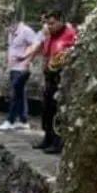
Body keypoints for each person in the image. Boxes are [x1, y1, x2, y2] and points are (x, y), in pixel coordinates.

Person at [29, 10, 78, 154]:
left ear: (61, 21)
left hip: (63, 79)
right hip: (49, 77)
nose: (49, 26)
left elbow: (75, 54)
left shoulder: (71, 34)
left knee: (58, 112)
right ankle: (47, 138)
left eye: (52, 23)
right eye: (47, 24)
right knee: (47, 110)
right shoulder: (49, 36)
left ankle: (58, 143)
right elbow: (45, 55)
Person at [0, 18, 40, 131]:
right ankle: (23, 120)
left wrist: (26, 58)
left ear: (14, 22)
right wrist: (6, 63)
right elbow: (11, 48)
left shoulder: (26, 31)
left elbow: (36, 44)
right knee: (20, 94)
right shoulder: (11, 33)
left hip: (22, 68)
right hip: (13, 67)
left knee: (15, 94)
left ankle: (10, 120)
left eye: (8, 25)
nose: (7, 28)